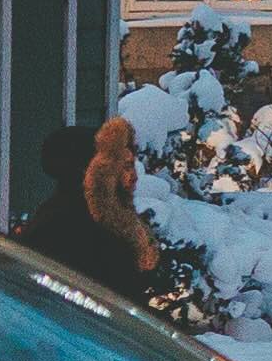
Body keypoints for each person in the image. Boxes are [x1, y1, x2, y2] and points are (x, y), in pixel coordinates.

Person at [13, 116, 166, 307]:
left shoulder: (112, 219)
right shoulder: (65, 227)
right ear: (98, 173)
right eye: (123, 166)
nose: (133, 176)